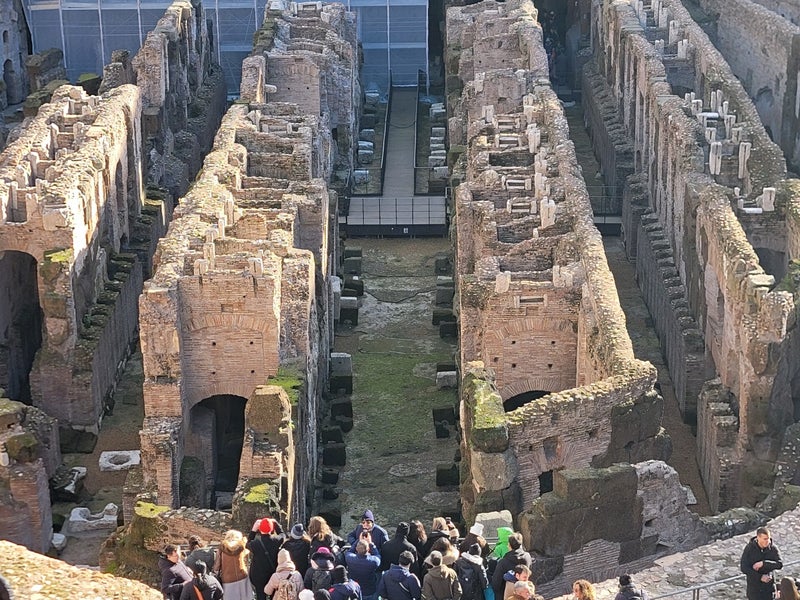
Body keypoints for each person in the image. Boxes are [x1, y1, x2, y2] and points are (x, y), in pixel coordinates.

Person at [740, 527, 783, 600]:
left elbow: (779, 564)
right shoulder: (749, 549)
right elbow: (744, 567)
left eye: (768, 538)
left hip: (769, 589)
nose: (767, 541)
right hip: (754, 589)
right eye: (765, 539)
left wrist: (764, 563)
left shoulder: (772, 548)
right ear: (758, 538)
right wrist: (760, 577)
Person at [249, 517, 285, 600]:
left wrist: (253, 530)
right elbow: (283, 535)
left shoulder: (255, 544)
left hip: (258, 576)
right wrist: (276, 523)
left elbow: (247, 543)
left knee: (260, 595)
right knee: (274, 594)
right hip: (272, 573)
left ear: (259, 529)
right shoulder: (277, 540)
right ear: (271, 528)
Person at [215, 529, 252, 600]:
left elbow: (217, 567)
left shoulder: (222, 548)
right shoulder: (242, 547)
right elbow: (247, 560)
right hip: (242, 577)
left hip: (228, 580)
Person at [491, 534, 531, 600]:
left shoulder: (503, 562)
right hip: (525, 593)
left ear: (509, 545)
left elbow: (496, 584)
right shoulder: (527, 557)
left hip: (507, 595)